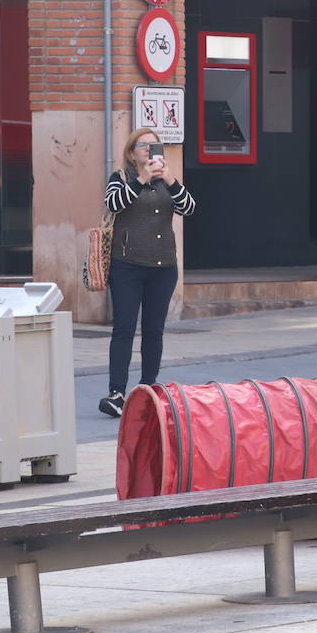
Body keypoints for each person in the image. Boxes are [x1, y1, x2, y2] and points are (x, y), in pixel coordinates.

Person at [98, 128, 196, 417]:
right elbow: (113, 204)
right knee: (124, 328)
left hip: (163, 268)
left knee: (154, 330)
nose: (151, 152)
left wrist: (169, 179)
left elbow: (189, 209)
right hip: (126, 266)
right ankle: (116, 393)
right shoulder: (121, 178)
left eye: (156, 147)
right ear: (132, 152)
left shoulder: (167, 181)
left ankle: (148, 388)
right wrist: (141, 180)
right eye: (144, 146)